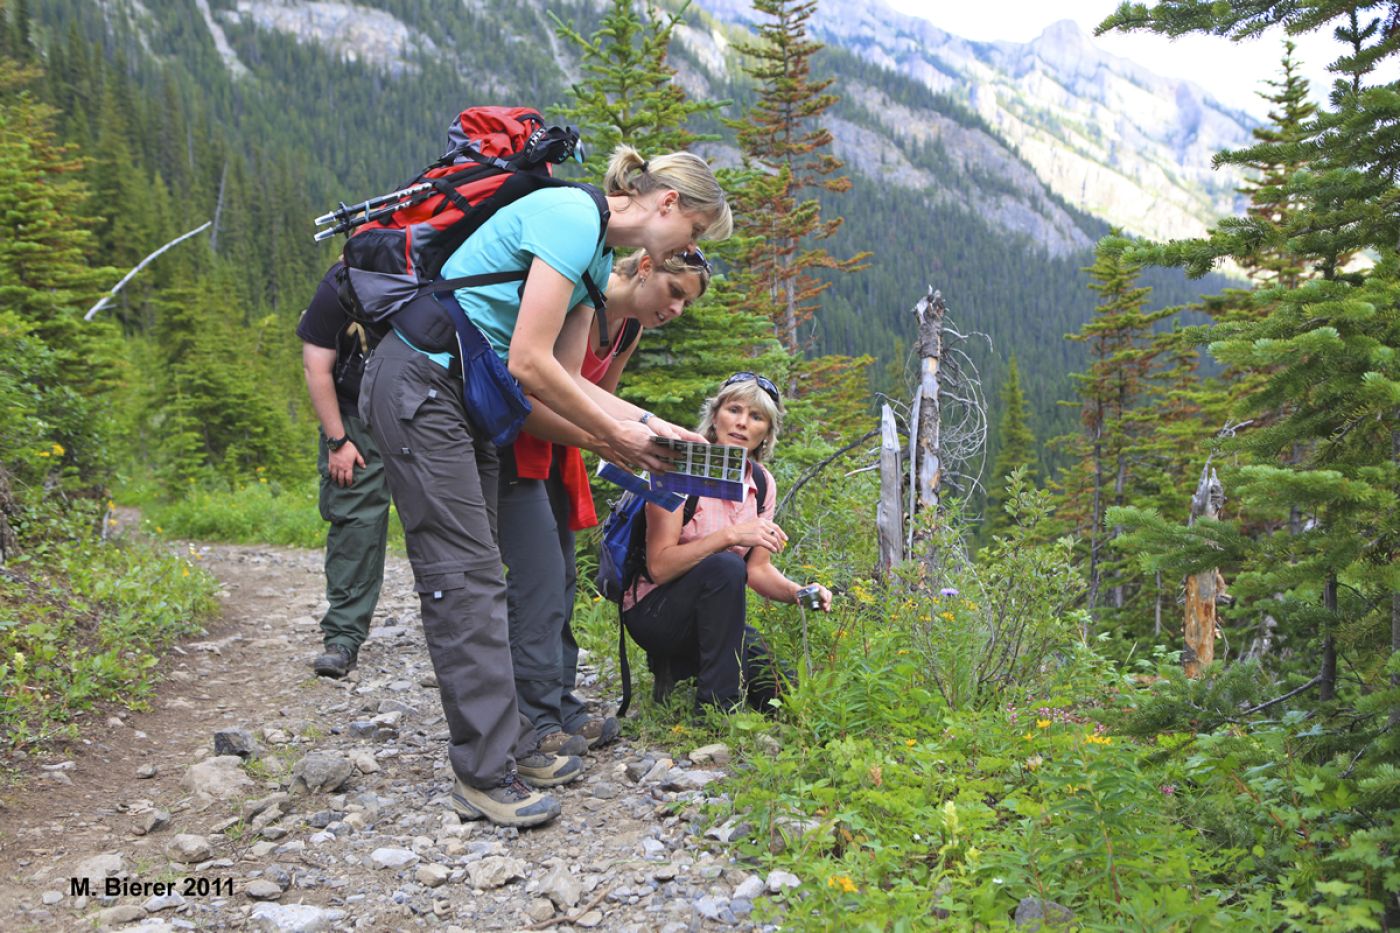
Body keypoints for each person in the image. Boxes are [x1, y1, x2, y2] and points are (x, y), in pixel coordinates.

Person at [358, 146, 732, 828]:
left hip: (467, 401)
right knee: (466, 576)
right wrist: (617, 439)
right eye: (697, 233)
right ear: (668, 205)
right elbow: (530, 363)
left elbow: (572, 386)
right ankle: (483, 772)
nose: (690, 248)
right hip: (420, 383)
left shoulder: (591, 253)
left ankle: (518, 741)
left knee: (489, 580)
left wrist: (664, 430)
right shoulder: (568, 216)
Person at [499, 249, 713, 757]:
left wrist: (642, 434)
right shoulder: (581, 300)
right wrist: (623, 434)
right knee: (538, 580)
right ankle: (534, 717)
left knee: (564, 578)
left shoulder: (627, 329)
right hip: (516, 441)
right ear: (645, 266)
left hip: (559, 452)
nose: (676, 310)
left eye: (687, 303)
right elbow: (544, 393)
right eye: (675, 292)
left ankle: (560, 705)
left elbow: (597, 405)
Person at [622, 373, 833, 714]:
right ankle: (718, 710)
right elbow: (659, 567)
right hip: (654, 611)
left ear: (766, 432)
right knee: (724, 565)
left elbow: (758, 570)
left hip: (715, 618)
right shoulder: (679, 467)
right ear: (715, 415)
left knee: (782, 692)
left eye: (756, 417)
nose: (741, 423)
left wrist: (800, 593)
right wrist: (730, 536)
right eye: (734, 409)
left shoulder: (761, 483)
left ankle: (682, 668)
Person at [297, 263, 388, 679]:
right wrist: (338, 442)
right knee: (356, 522)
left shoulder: (434, 264)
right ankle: (343, 638)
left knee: (451, 521)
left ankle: (468, 636)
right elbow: (316, 365)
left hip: (424, 409)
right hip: (354, 418)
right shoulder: (342, 282)